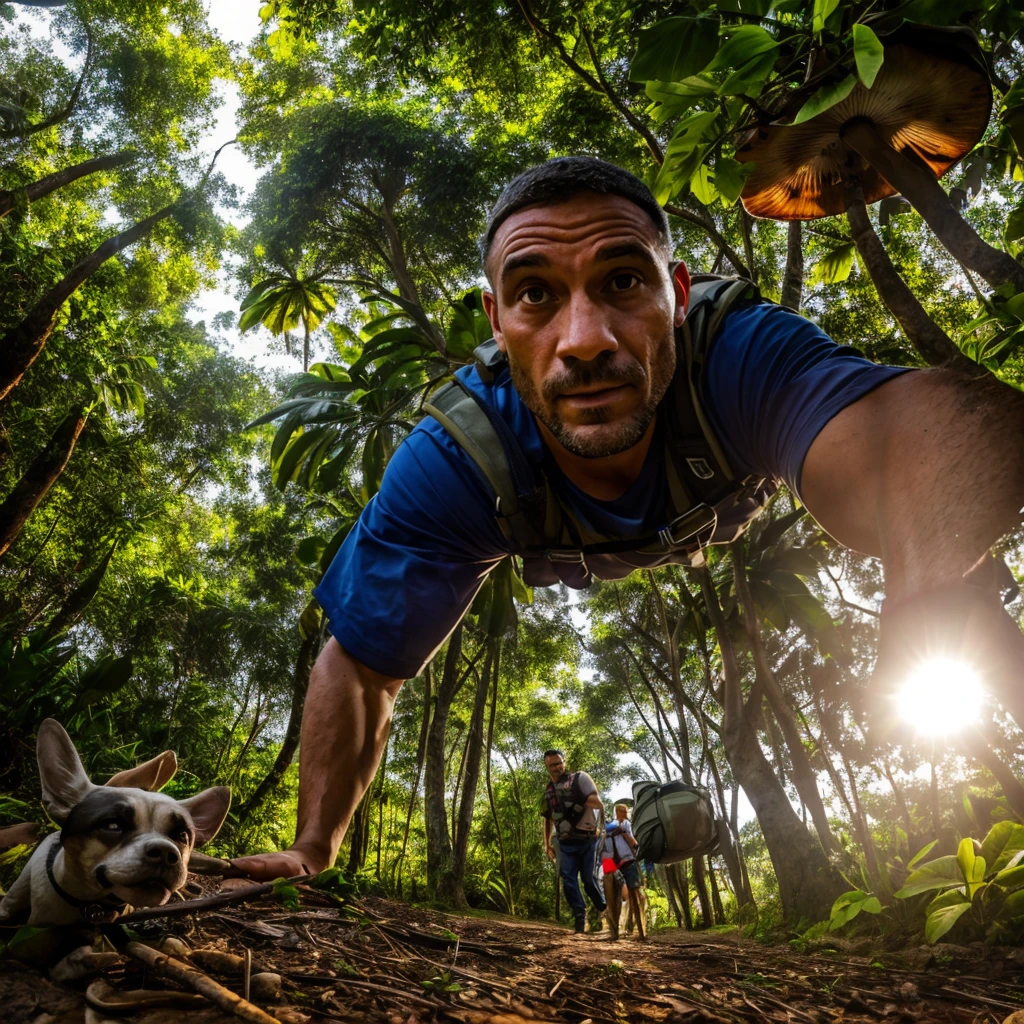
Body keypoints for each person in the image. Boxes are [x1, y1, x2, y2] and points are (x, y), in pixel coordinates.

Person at [230, 156, 1024, 882]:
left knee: (960, 581)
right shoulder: (459, 458)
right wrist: (311, 848)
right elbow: (363, 663)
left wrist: (919, 587)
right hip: (539, 515)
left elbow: (930, 435)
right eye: (535, 294)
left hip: (727, 479)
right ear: (496, 321)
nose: (584, 340)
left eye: (621, 282)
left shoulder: (736, 354)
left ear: (677, 296)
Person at [540, 750, 606, 932]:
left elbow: (597, 803)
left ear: (564, 762)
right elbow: (547, 818)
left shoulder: (579, 779)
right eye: (552, 765)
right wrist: (547, 845)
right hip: (565, 841)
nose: (557, 767)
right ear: (547, 767)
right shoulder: (549, 791)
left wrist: (578, 798)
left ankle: (605, 909)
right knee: (568, 879)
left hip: (587, 839)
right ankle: (579, 919)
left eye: (559, 763)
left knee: (589, 880)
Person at [603, 802, 645, 931]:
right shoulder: (611, 826)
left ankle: (634, 924)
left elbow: (632, 841)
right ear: (617, 812)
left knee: (634, 891)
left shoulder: (626, 824)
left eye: (625, 812)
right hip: (613, 861)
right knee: (613, 893)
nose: (624, 815)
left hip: (626, 859)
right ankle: (615, 925)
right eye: (622, 812)